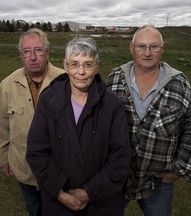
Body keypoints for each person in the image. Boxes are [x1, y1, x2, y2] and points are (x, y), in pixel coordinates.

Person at [106, 24, 191, 216]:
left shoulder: (179, 84)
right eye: (141, 46)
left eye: (154, 47)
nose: (147, 53)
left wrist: (179, 169)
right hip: (117, 176)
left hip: (158, 181)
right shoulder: (115, 79)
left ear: (162, 49)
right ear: (131, 48)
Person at [26, 36, 131, 216]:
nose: (81, 72)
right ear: (65, 66)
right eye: (74, 64)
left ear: (97, 67)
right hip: (58, 205)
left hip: (102, 205)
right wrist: (60, 192)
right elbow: (37, 152)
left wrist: (89, 192)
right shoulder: (49, 100)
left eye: (88, 64)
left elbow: (120, 157)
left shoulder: (112, 105)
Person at [0, 28, 64, 216]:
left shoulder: (65, 81)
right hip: (25, 170)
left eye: (38, 50)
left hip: (60, 171)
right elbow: (0, 126)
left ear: (47, 52)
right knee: (35, 210)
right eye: (27, 51)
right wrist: (2, 159)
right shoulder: (7, 85)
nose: (33, 57)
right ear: (20, 55)